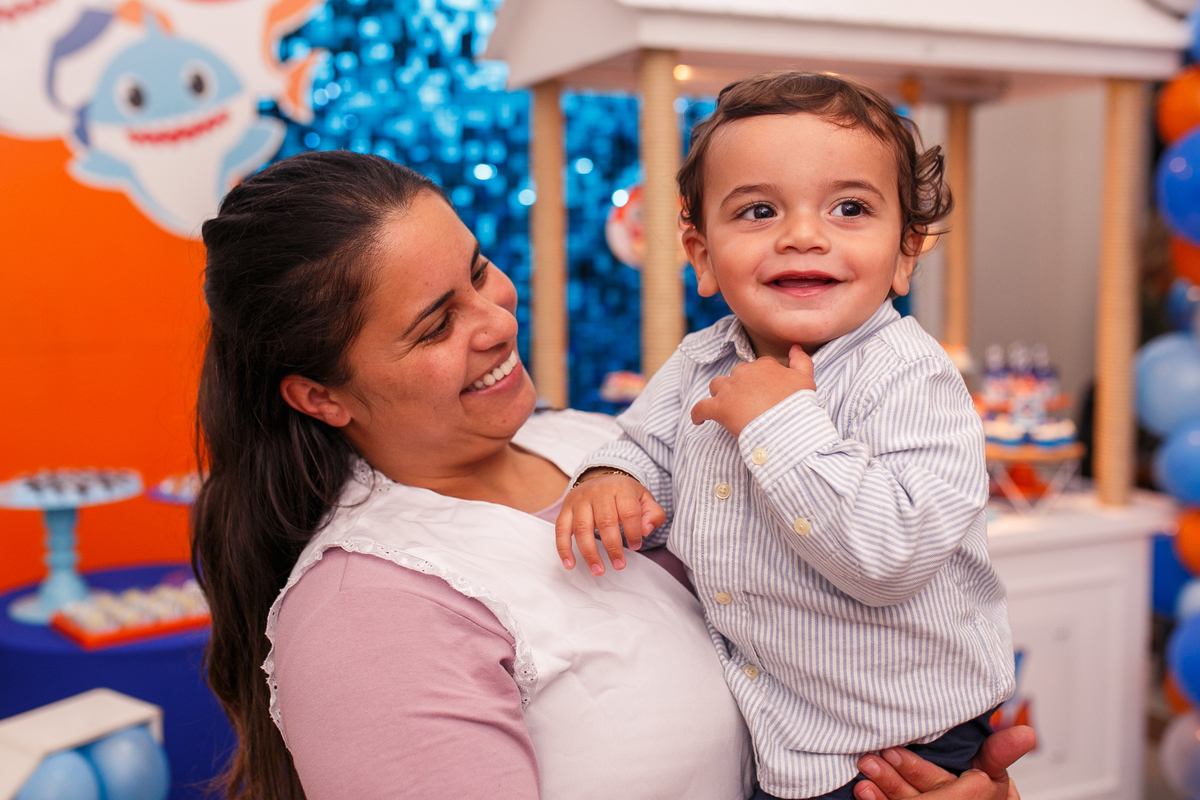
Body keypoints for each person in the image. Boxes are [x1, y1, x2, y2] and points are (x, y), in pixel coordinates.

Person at [190, 149, 1032, 800]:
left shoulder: (596, 446)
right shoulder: (369, 616)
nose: (494, 319)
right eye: (435, 323)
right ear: (319, 394)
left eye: (479, 270)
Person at [556, 72, 1014, 800]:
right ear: (702, 254)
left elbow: (889, 556)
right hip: (780, 727)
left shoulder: (911, 378)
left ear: (905, 252)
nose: (804, 234)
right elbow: (644, 446)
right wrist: (610, 478)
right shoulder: (699, 361)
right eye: (760, 209)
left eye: (850, 207)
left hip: (903, 738)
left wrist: (779, 422)